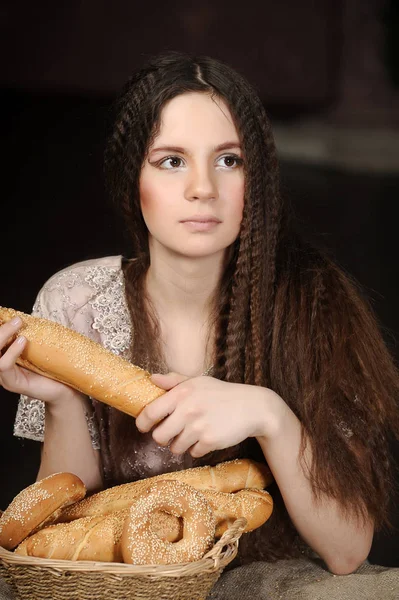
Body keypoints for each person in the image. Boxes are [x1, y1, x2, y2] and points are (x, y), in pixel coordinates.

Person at [1, 51, 398, 578]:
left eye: (228, 160)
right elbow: (62, 542)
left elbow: (348, 551)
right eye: (172, 160)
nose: (203, 188)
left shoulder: (313, 306)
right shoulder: (75, 302)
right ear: (131, 180)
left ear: (254, 179)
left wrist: (270, 416)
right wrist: (62, 400)